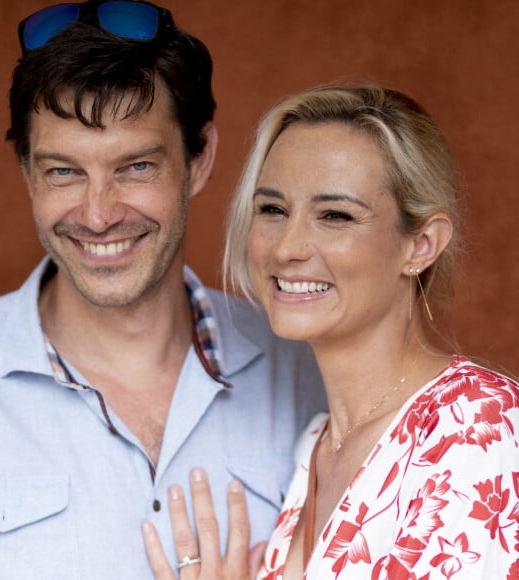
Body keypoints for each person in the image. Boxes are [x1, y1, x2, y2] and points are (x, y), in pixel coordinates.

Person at [0, 2, 326, 578]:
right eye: (63, 172)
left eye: (136, 167)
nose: (98, 215)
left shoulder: (307, 372)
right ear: (26, 173)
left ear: (200, 159)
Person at [143, 85, 519, 578]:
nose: (286, 249)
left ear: (421, 245)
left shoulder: (480, 430)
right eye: (272, 210)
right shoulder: (315, 446)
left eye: (335, 216)